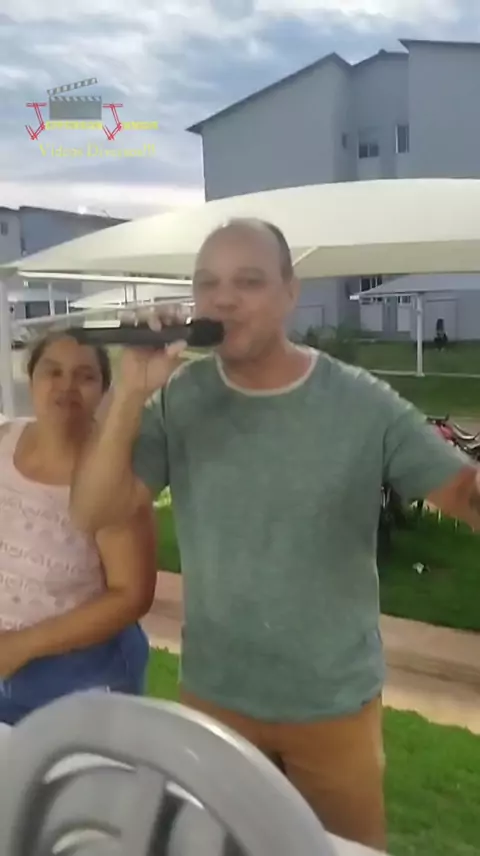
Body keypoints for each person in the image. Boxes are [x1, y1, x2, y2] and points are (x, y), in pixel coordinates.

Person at [70, 218, 479, 852]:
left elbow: (463, 492)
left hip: (332, 706)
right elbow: (92, 511)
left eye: (249, 282)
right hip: (216, 699)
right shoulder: (178, 399)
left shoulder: (360, 403)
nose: (224, 300)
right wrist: (128, 394)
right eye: (207, 284)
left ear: (291, 292)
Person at [0, 331, 157, 725]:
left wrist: (21, 646)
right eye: (52, 371)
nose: (66, 385)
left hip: (78, 676)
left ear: (104, 390)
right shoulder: (3, 441)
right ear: (30, 379)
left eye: (85, 376)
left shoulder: (110, 475)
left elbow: (132, 595)